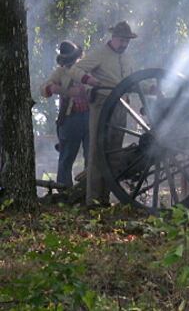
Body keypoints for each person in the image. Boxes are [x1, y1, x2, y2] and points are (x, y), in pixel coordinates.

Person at [70, 21, 137, 206]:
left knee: (113, 154)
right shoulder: (100, 54)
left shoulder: (127, 59)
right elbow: (75, 70)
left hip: (121, 106)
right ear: (113, 38)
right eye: (122, 40)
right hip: (102, 105)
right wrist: (90, 80)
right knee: (98, 152)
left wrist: (153, 87)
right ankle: (92, 200)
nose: (124, 44)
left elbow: (134, 81)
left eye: (127, 41)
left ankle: (105, 198)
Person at [39, 41, 89, 187]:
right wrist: (60, 90)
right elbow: (44, 89)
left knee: (91, 156)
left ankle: (87, 190)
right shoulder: (60, 72)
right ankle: (64, 192)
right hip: (70, 119)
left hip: (90, 117)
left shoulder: (87, 69)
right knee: (66, 157)